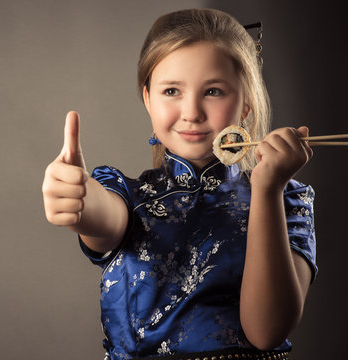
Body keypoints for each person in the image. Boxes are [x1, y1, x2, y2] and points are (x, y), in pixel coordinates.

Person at [42, 8, 317, 360]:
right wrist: (79, 200)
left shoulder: (288, 199)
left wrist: (267, 190)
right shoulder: (128, 196)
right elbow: (104, 216)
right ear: (148, 99)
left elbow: (266, 331)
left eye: (214, 91)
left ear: (246, 102)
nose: (191, 112)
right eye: (172, 90)